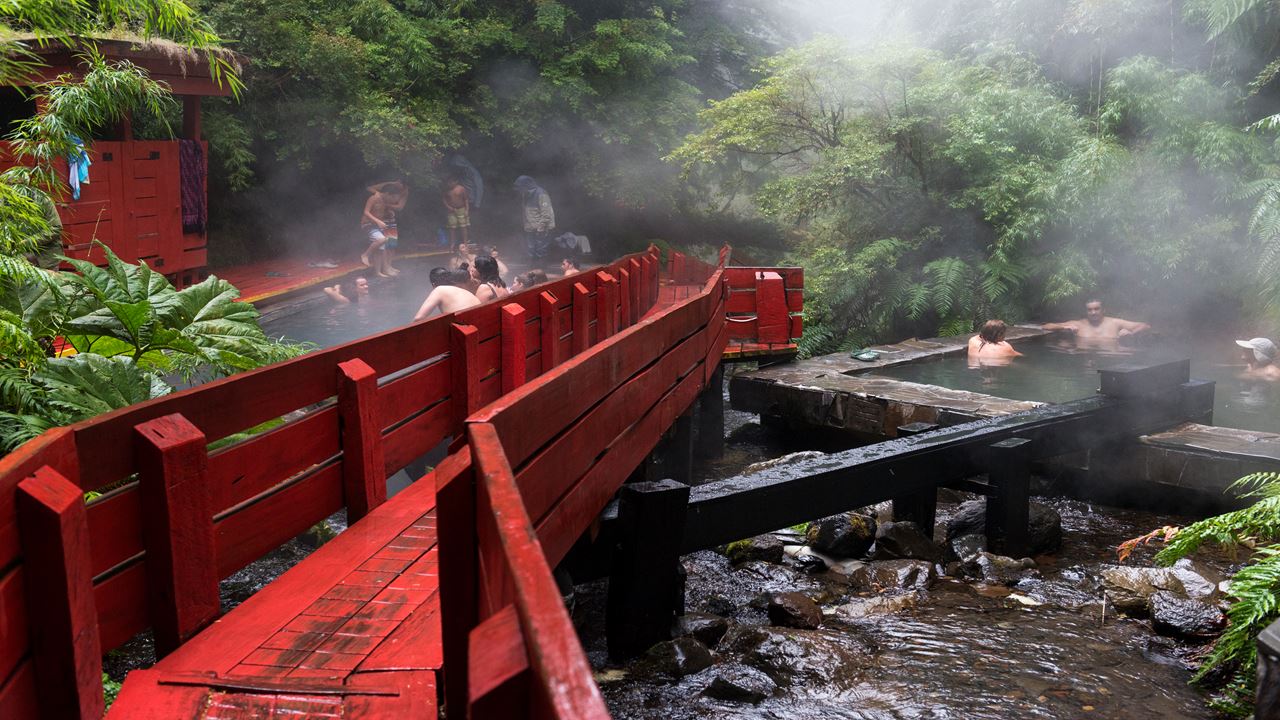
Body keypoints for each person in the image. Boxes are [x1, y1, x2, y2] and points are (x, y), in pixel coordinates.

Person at [361, 181, 408, 277]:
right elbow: (366, 212)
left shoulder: (384, 200)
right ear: (387, 194)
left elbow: (382, 210)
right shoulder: (374, 197)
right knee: (382, 239)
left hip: (377, 225)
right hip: (368, 224)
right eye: (393, 197)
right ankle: (365, 255)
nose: (393, 200)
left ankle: (378, 272)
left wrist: (388, 214)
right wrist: (378, 221)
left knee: (381, 248)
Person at [1042, 299, 1150, 340]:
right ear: (1086, 311)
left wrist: (1131, 333)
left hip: (1111, 358)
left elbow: (1145, 326)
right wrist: (1064, 327)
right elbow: (1046, 326)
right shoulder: (1079, 324)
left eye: (1096, 309)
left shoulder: (1115, 323)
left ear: (1103, 310)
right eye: (1090, 310)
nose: (1093, 312)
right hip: (1085, 355)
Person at [413, 268, 481, 320]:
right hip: (481, 321)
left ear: (433, 284)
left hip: (467, 326)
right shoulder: (461, 289)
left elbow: (418, 318)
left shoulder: (439, 289)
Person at [514, 175, 555, 261]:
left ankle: (540, 270)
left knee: (541, 250)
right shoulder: (525, 194)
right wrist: (527, 226)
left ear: (526, 186)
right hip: (531, 227)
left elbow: (546, 213)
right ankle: (531, 270)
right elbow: (526, 211)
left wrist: (541, 227)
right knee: (531, 250)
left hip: (542, 228)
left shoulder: (541, 194)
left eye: (520, 187)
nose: (519, 190)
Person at [442, 178, 471, 250]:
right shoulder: (447, 190)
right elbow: (444, 200)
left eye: (451, 182)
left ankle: (465, 243)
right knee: (452, 227)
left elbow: (466, 199)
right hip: (451, 210)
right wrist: (449, 207)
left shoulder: (461, 188)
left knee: (463, 227)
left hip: (461, 209)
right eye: (449, 182)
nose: (450, 183)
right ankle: (452, 243)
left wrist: (467, 210)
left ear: (456, 181)